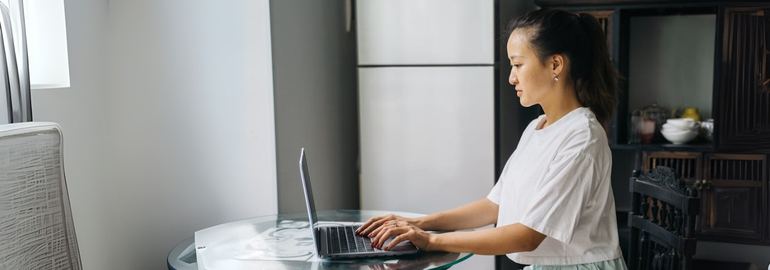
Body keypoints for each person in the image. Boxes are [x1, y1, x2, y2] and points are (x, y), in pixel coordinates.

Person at [355, 8, 627, 269]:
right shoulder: (537, 127)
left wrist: (431, 240)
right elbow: (494, 206)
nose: (511, 78)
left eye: (518, 64)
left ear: (555, 64)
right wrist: (419, 224)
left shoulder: (582, 138)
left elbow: (528, 236)